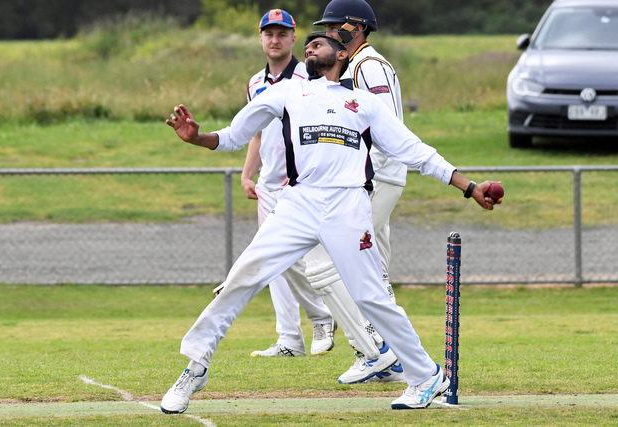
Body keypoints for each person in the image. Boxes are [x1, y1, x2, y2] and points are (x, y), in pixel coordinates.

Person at [160, 32, 501, 414]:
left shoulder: (365, 103)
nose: (309, 47)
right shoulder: (286, 92)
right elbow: (232, 137)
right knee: (242, 276)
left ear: (341, 54)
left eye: (319, 43)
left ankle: (425, 376)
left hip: (348, 205)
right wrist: (197, 138)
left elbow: (416, 152)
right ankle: (196, 367)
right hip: (299, 202)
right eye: (307, 44)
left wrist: (470, 187)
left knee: (371, 296)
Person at [310, 0, 409, 384]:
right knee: (374, 271)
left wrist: (358, 175)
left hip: (375, 177)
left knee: (324, 260)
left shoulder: (368, 65)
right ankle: (397, 359)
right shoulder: (355, 65)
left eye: (334, 26)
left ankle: (371, 350)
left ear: (356, 27)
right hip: (375, 177)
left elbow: (383, 126)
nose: (328, 34)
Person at [241, 9, 336, 358]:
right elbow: (257, 132)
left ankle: (323, 316)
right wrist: (248, 174)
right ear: (261, 38)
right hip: (268, 186)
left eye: (282, 33)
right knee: (273, 264)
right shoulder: (255, 82)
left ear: (294, 38)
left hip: (302, 185)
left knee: (303, 261)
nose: (275, 40)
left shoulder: (308, 76)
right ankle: (290, 340)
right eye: (269, 33)